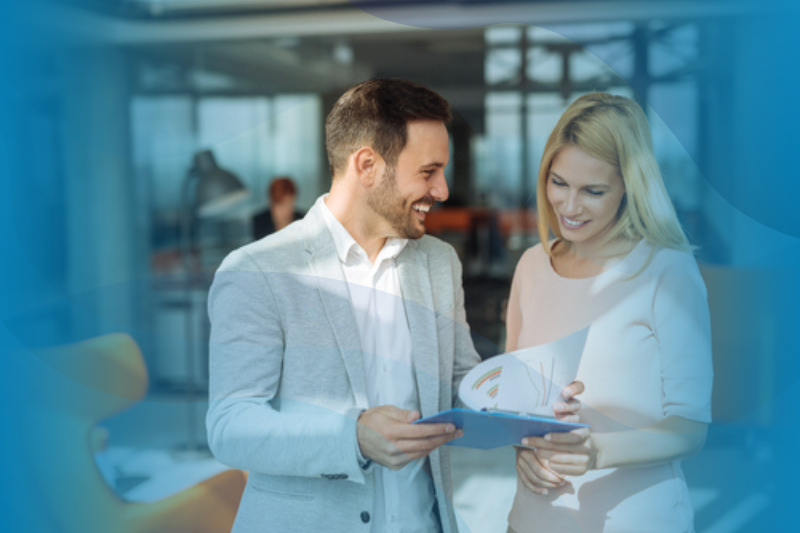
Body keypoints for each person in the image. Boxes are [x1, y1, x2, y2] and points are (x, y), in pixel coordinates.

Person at [207, 78, 584, 533]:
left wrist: (530, 401)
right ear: (367, 165)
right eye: (428, 172)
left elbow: (461, 380)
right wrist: (354, 438)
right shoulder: (258, 271)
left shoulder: (439, 262)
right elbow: (232, 426)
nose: (443, 190)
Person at [505, 93, 713, 532]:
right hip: (534, 519)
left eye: (593, 191)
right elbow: (512, 405)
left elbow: (691, 428)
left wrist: (598, 451)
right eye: (558, 182)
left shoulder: (666, 270)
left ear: (627, 187)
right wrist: (522, 453)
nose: (570, 205)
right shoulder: (531, 265)